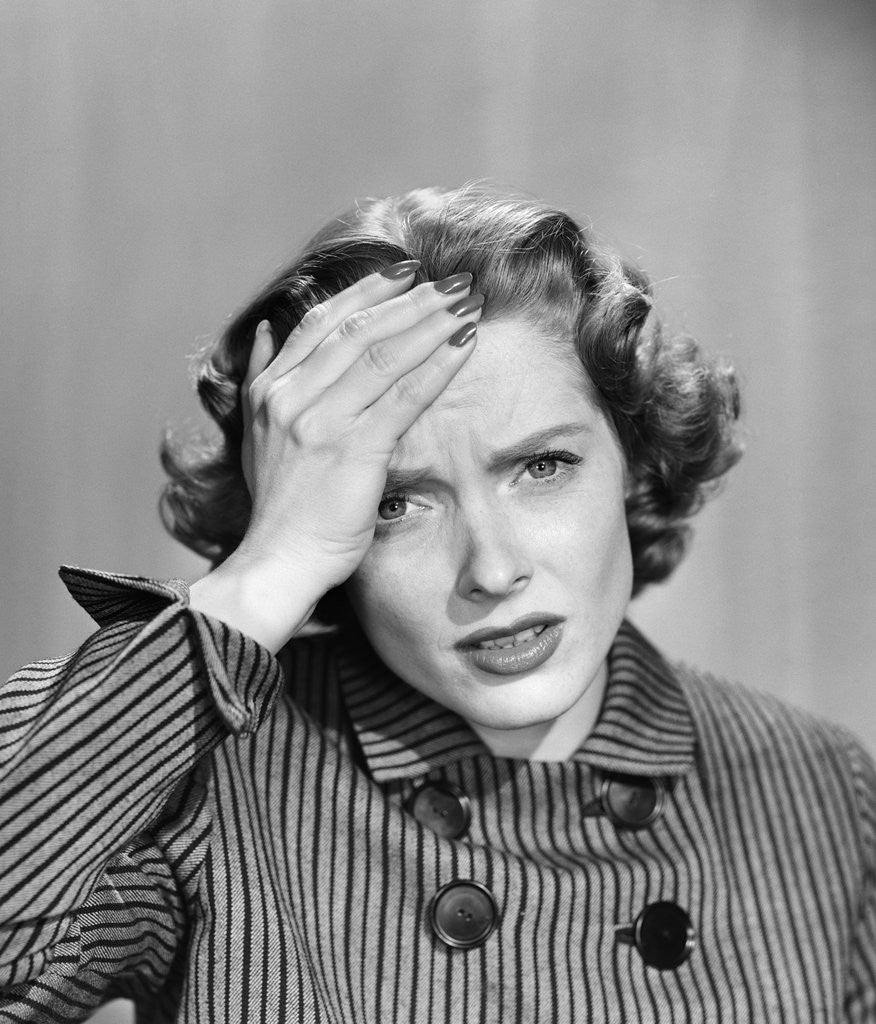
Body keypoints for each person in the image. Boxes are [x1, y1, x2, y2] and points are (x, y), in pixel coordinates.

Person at [1, 184, 873, 1023]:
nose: (492, 571)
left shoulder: (813, 788)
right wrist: (269, 567)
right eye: (397, 503)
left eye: (543, 467)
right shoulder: (210, 784)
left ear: (635, 462)